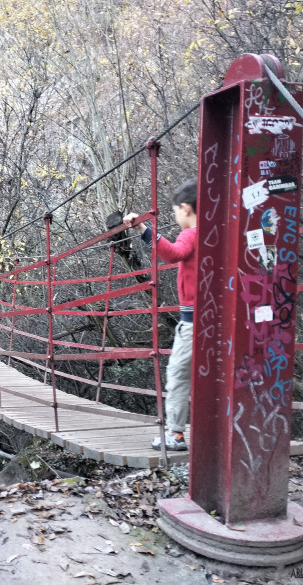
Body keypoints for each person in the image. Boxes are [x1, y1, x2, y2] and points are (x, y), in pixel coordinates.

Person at [123, 178, 197, 451]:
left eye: (175, 211)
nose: (176, 216)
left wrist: (143, 228)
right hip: (217, 321)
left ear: (186, 209)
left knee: (178, 374)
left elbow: (172, 254)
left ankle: (175, 434)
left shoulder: (191, 234)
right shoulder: (216, 234)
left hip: (193, 324)